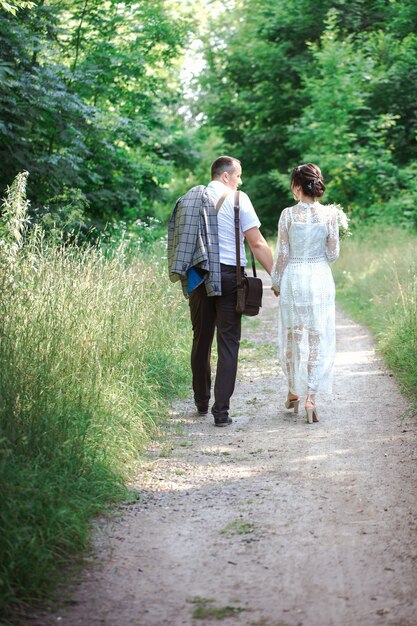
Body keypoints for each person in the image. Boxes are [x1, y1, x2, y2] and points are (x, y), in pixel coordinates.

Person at [168, 156, 273, 427]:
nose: (240, 181)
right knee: (228, 342)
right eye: (238, 175)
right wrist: (277, 275)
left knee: (201, 339)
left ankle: (201, 401)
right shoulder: (239, 199)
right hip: (229, 277)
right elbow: (257, 243)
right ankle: (221, 412)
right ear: (226, 176)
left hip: (199, 275)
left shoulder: (189, 201)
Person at [271, 163, 339, 423]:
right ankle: (311, 397)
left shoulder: (287, 215)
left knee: (292, 336)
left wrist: (276, 282)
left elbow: (284, 254)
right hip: (320, 277)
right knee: (316, 337)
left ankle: (292, 392)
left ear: (297, 187)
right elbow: (332, 255)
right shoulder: (330, 215)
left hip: (294, 278)